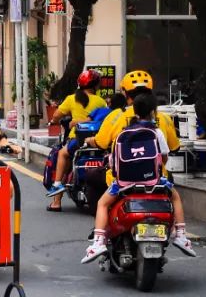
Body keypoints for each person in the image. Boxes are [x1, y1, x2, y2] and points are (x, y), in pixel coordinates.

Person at [88, 70, 196, 257]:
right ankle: (181, 234)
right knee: (176, 197)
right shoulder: (163, 120)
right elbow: (172, 149)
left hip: (122, 181)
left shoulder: (116, 117)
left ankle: (99, 239)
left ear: (126, 94)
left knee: (102, 202)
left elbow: (102, 143)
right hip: (156, 180)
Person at [45, 70, 108, 209]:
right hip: (98, 141)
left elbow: (56, 116)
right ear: (95, 85)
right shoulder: (101, 102)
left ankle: (56, 198)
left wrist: (55, 121)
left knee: (63, 154)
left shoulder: (72, 99)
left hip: (78, 141)